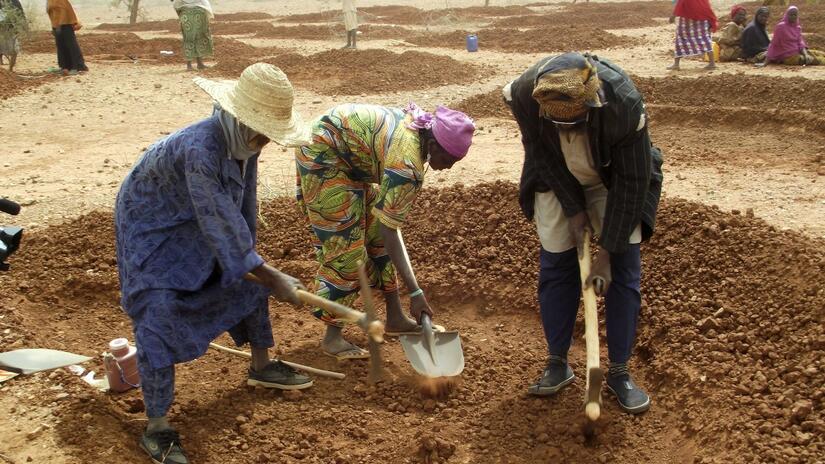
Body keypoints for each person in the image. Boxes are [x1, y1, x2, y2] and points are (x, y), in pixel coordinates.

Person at [115, 63, 313, 464]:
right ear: (241, 118)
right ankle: (157, 427)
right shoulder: (200, 148)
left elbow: (241, 210)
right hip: (153, 226)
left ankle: (261, 365)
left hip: (194, 217)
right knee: (158, 308)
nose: (265, 141)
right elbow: (218, 218)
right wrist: (269, 272)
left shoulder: (245, 144)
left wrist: (255, 264)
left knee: (247, 274)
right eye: (261, 131)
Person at [504, 52, 663, 414]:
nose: (568, 130)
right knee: (557, 265)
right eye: (560, 124)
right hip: (556, 174)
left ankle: (620, 372)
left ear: (592, 103)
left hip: (614, 179)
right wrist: (574, 209)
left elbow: (633, 180)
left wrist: (607, 252)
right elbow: (540, 154)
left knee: (623, 269)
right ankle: (557, 363)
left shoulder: (624, 104)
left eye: (575, 122)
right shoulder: (526, 95)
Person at [295, 103, 474, 359]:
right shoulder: (407, 165)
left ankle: (395, 318)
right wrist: (416, 292)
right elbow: (391, 230)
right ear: (433, 146)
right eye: (449, 159)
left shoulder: (420, 134)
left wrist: (414, 293)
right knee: (347, 250)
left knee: (377, 238)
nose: (449, 167)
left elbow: (385, 231)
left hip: (352, 158)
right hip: (324, 153)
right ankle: (332, 337)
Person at [668, 0, 718, 70]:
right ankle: (712, 63)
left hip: (687, 18)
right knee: (705, 39)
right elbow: (706, 6)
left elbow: (680, 3)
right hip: (702, 17)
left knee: (680, 38)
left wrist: (673, 16)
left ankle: (676, 64)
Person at [46, 0, 87, 75]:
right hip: (56, 25)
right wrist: (54, 26)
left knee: (71, 45)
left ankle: (77, 67)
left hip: (65, 24)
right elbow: (51, 13)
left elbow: (65, 11)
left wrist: (60, 25)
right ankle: (64, 67)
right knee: (60, 46)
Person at [171, 0, 214, 71]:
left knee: (189, 38)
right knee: (199, 38)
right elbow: (205, 3)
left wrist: (181, 15)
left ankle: (191, 65)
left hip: (186, 15)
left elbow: (176, 5)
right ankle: (198, 64)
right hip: (199, 14)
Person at [0, 0, 25, 72]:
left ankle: (10, 70)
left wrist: (21, 27)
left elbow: (21, 14)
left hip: (10, 29)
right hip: (3, 28)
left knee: (14, 50)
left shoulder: (15, 2)